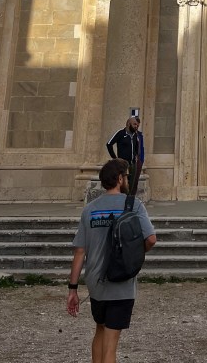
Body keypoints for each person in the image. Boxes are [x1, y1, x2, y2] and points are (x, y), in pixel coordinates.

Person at [67, 158, 156, 363]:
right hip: (120, 282)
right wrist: (133, 254)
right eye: (126, 177)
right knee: (111, 343)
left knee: (100, 329)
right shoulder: (133, 205)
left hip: (95, 282)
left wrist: (72, 289)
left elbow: (79, 251)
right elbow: (151, 239)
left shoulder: (90, 209)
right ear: (119, 179)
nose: (127, 180)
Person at [106, 115, 145, 197]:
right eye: (134, 124)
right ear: (128, 124)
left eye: (137, 125)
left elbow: (136, 147)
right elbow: (109, 144)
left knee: (132, 184)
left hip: (133, 164)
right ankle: (123, 200)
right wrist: (115, 158)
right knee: (124, 185)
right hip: (123, 164)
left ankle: (130, 200)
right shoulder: (121, 133)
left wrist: (136, 156)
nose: (136, 127)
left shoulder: (135, 135)